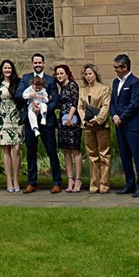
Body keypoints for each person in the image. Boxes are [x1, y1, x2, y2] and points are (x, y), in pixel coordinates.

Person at [20, 53, 63, 194]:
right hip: (30, 122)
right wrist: (31, 99)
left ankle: (57, 182)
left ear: (43, 63)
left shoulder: (50, 80)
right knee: (31, 153)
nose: (37, 64)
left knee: (51, 152)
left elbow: (55, 101)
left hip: (47, 122)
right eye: (35, 62)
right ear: (32, 64)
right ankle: (32, 182)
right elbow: (19, 95)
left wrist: (43, 110)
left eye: (40, 62)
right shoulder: (26, 78)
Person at [110, 53, 139, 198]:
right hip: (119, 125)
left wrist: (122, 118)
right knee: (124, 156)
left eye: (117, 67)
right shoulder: (115, 82)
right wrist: (114, 115)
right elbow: (113, 102)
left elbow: (134, 104)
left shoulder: (135, 82)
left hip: (132, 125)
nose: (115, 70)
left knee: (137, 156)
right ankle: (129, 183)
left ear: (125, 67)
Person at [80, 62, 113, 194]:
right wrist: (85, 120)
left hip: (101, 125)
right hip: (87, 126)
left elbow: (106, 106)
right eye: (86, 74)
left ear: (95, 74)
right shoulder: (82, 90)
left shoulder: (104, 89)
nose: (88, 76)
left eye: (90, 74)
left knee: (104, 154)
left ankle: (104, 184)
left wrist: (98, 119)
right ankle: (94, 184)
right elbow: (80, 107)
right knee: (92, 155)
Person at [0, 59, 25, 193]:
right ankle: (8, 181)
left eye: (9, 68)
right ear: (1, 70)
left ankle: (16, 179)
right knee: (6, 149)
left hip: (16, 116)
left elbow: (23, 97)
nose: (7, 70)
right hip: (3, 117)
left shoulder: (18, 82)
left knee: (16, 148)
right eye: (5, 68)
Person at [53, 63, 83, 192]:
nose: (59, 76)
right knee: (66, 151)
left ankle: (78, 180)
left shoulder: (72, 85)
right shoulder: (61, 87)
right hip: (63, 122)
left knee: (75, 150)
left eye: (61, 73)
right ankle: (70, 179)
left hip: (72, 121)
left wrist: (70, 118)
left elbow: (74, 102)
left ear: (67, 74)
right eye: (57, 74)